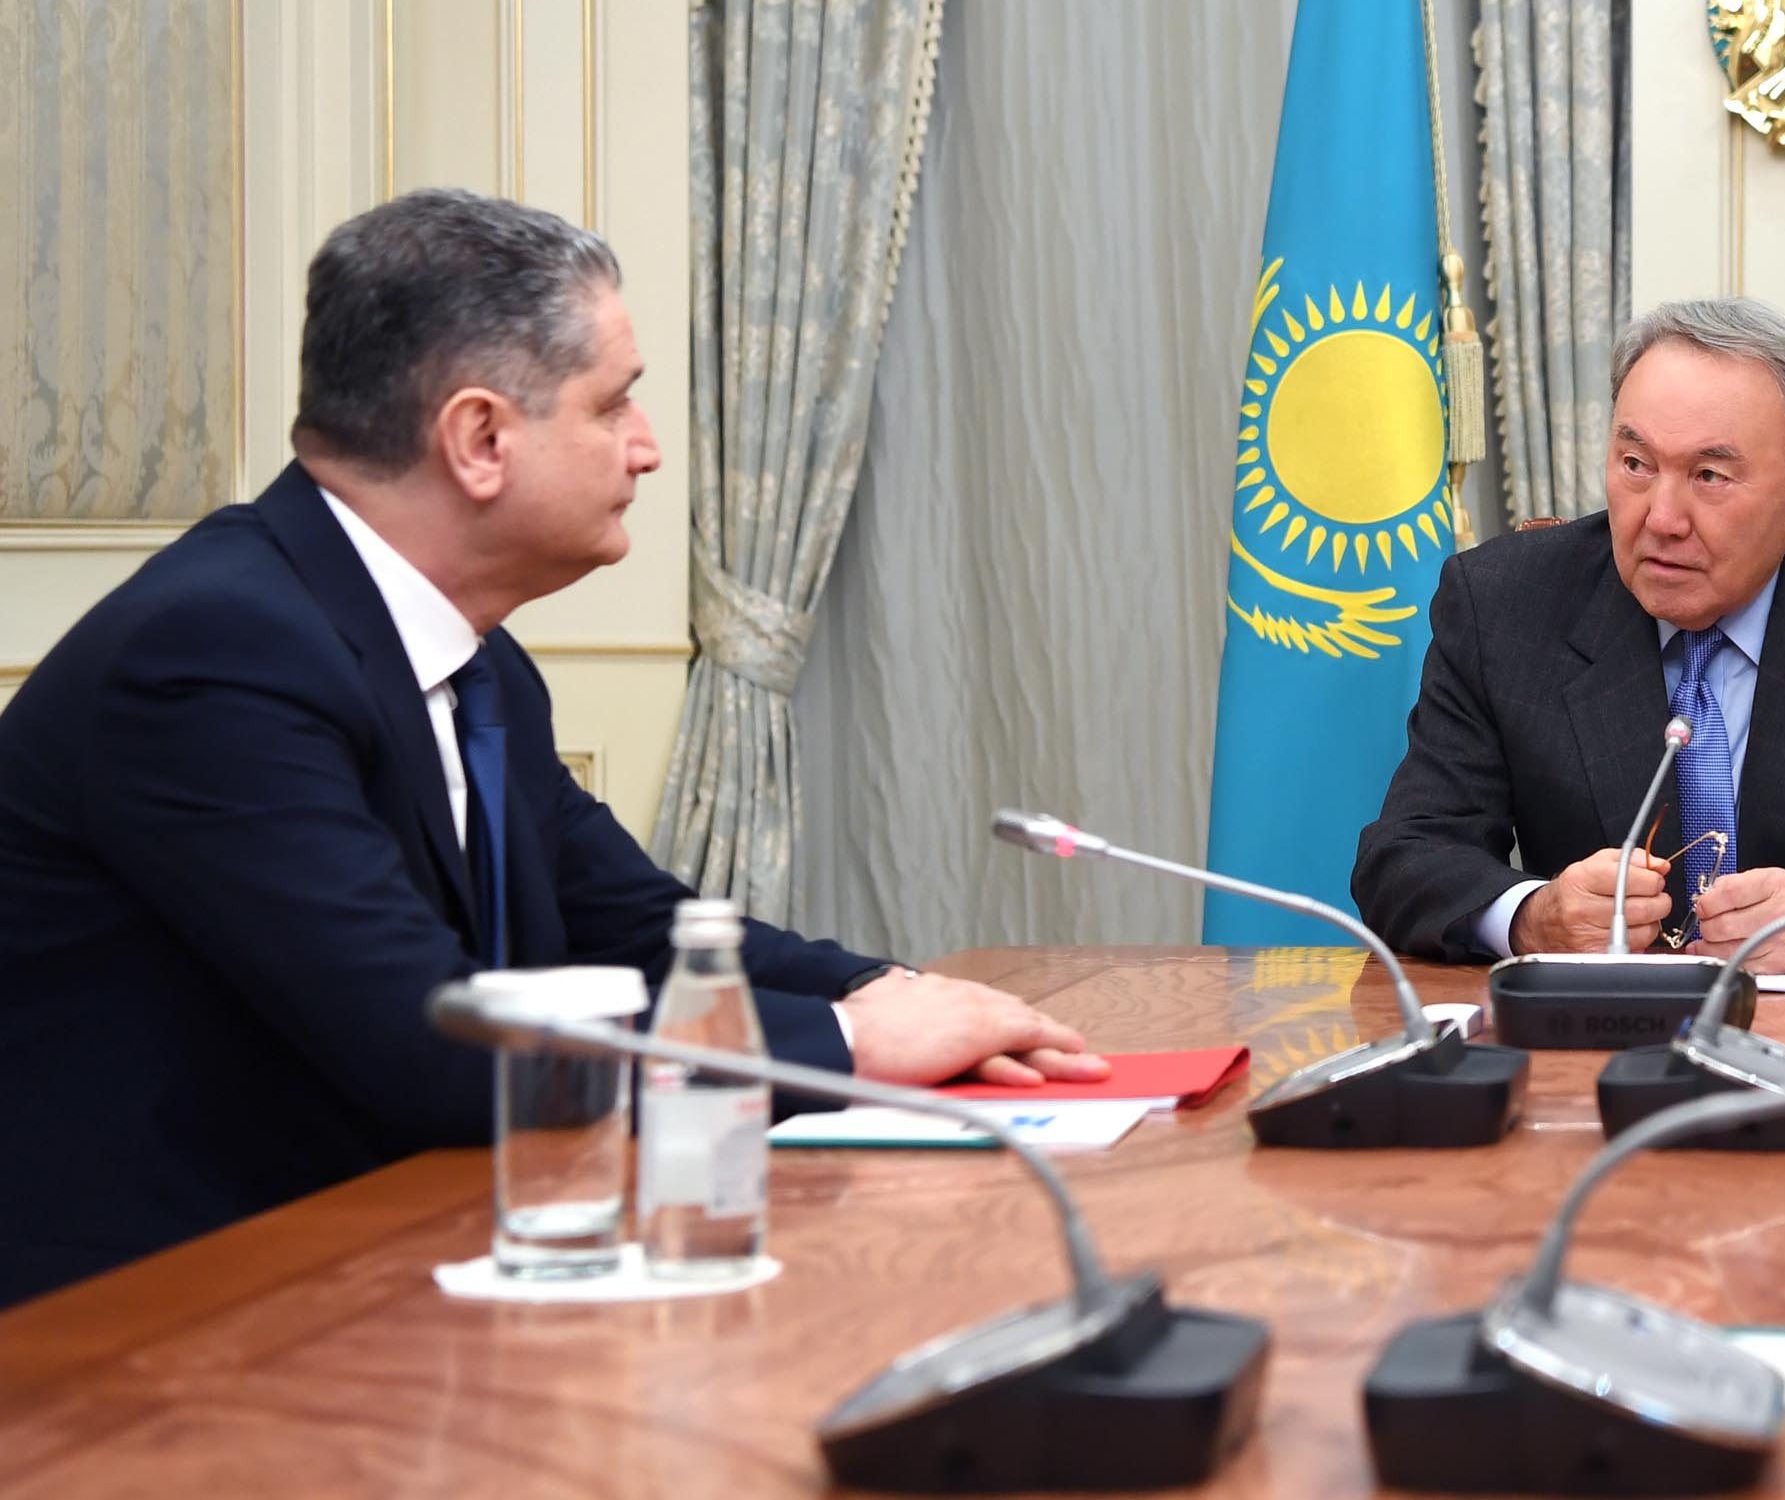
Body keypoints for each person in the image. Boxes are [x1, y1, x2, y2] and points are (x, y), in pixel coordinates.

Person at [0, 190, 1104, 1306]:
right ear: (480, 439)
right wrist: (849, 1040)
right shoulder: (214, 656)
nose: (648, 448)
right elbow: (433, 1043)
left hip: (380, 1264)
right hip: (145, 1325)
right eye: (614, 404)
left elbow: (635, 928)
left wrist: (893, 993)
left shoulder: (471, 658)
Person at [1355, 297, 1785, 969]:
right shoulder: (1504, 604)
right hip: (1588, 1029)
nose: (1661, 518)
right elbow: (1405, 857)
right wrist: (1533, 916)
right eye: (1636, 465)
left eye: (1709, 475)